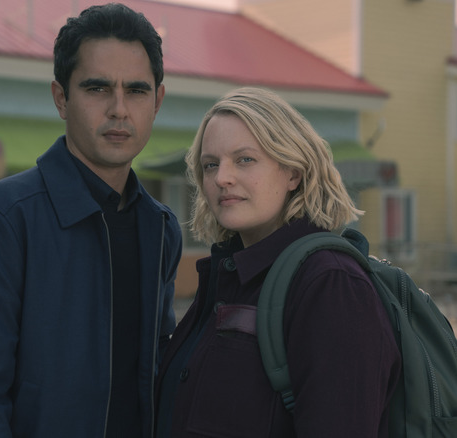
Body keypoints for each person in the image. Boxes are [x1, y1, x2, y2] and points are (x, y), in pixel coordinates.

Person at [0, 3, 182, 437]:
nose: (120, 109)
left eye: (136, 90)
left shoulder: (159, 227)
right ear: (61, 98)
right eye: (98, 88)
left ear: (157, 101)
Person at [155, 87, 401, 437]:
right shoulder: (228, 276)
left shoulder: (331, 284)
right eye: (211, 164)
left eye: (245, 159)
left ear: (293, 173)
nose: (222, 177)